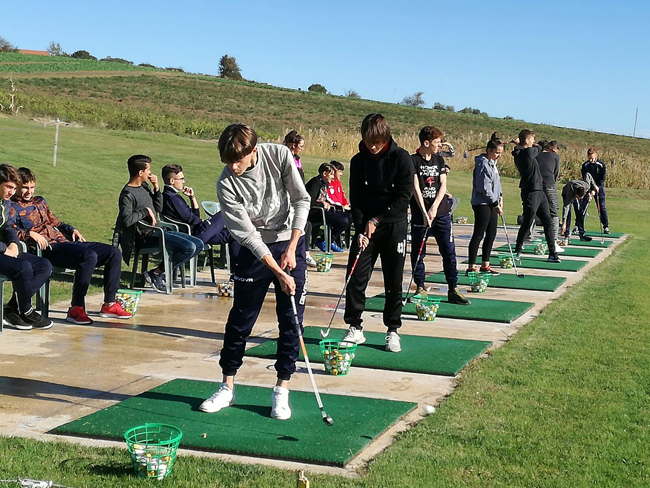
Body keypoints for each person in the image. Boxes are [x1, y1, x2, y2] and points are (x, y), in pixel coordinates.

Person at [199, 123, 310, 420]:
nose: (233, 167)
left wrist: (292, 247)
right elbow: (247, 235)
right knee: (241, 319)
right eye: (227, 161)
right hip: (254, 250)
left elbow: (302, 199)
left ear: (254, 151)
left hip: (290, 240)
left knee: (291, 321)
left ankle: (281, 390)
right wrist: (278, 271)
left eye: (239, 160)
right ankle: (227, 387)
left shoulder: (280, 156)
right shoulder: (226, 183)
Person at [11, 167, 133, 325]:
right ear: (17, 187)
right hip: (47, 249)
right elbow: (8, 230)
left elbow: (57, 223)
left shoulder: (40, 201)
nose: (29, 192)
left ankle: (109, 304)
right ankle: (76, 308)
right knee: (89, 256)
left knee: (113, 252)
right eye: (25, 188)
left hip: (63, 242)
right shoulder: (12, 206)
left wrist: (71, 229)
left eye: (32, 187)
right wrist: (29, 233)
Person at [340, 113, 414, 353]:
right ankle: (355, 327)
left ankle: (392, 330)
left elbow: (404, 196)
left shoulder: (401, 158)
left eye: (378, 142)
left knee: (393, 280)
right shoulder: (358, 160)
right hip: (366, 228)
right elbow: (356, 198)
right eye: (369, 141)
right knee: (355, 277)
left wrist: (377, 219)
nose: (373, 146)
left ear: (386, 137)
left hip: (394, 225)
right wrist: (361, 227)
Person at [113, 155, 203, 293]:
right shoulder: (128, 194)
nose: (151, 173)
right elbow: (126, 220)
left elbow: (158, 209)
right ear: (140, 172)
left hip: (159, 231)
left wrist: (156, 188)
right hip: (146, 237)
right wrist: (144, 212)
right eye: (148, 170)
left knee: (198, 244)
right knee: (189, 247)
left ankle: (156, 273)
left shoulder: (144, 186)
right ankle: (157, 274)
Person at [409, 126, 470, 303]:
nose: (440, 146)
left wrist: (434, 208)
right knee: (418, 253)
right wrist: (424, 212)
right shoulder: (413, 160)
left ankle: (453, 288)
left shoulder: (439, 160)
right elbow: (415, 189)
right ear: (426, 142)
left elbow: (443, 185)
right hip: (421, 215)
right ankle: (420, 287)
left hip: (441, 213)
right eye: (437, 142)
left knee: (449, 251)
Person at [0, 164, 52, 331]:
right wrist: (4, 249)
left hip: (5, 250)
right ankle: (26, 310)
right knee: (23, 267)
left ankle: (11, 310)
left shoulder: (5, 202)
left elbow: (8, 227)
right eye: (8, 187)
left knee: (43, 265)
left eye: (14, 188)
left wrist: (14, 244)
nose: (11, 192)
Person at [160, 164, 240, 263]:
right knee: (226, 210)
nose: (183, 182)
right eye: (181, 179)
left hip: (197, 232)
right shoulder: (173, 198)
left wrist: (192, 198)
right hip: (193, 235)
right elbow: (192, 219)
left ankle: (236, 272)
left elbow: (193, 216)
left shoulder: (169, 196)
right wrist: (204, 222)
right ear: (172, 181)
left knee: (235, 235)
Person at [512, 130, 560, 263]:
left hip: (540, 191)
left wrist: (519, 144)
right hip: (530, 192)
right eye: (532, 139)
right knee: (528, 221)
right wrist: (524, 145)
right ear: (527, 141)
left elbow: (525, 148)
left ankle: (552, 253)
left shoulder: (522, 151)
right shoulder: (527, 153)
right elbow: (538, 148)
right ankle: (518, 250)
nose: (534, 141)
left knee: (547, 220)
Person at [467, 134, 504, 275]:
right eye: (496, 153)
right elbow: (484, 187)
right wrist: (495, 202)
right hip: (482, 203)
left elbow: (497, 184)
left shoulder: (493, 163)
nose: (498, 156)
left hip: (493, 203)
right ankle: (471, 266)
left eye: (500, 153)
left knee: (492, 233)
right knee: (479, 233)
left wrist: (500, 198)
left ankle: (485, 265)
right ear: (489, 150)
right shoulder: (482, 163)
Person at [283, 131, 316, 267]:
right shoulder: (285, 157)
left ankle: (303, 254)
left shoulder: (297, 159)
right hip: (287, 198)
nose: (302, 149)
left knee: (305, 226)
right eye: (300, 146)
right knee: (304, 226)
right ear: (292, 145)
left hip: (297, 196)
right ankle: (304, 254)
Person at [305, 163, 352, 252]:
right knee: (343, 220)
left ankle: (326, 241)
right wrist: (322, 204)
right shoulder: (316, 182)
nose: (332, 177)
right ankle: (325, 241)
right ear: (324, 173)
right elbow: (309, 200)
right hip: (314, 212)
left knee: (349, 217)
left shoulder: (325, 183)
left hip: (323, 210)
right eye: (331, 174)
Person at [536, 140, 564, 251]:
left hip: (536, 186)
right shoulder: (555, 157)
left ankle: (526, 238)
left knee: (532, 212)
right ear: (552, 148)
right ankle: (554, 241)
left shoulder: (535, 156)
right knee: (554, 212)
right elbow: (555, 173)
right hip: (549, 186)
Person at [581, 148, 610, 234]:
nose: (591, 160)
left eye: (592, 158)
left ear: (596, 156)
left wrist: (594, 190)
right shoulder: (585, 165)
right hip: (588, 187)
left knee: (601, 207)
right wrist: (589, 191)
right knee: (583, 206)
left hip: (599, 188)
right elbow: (585, 178)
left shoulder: (601, 165)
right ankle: (578, 226)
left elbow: (602, 179)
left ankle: (606, 226)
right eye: (589, 158)